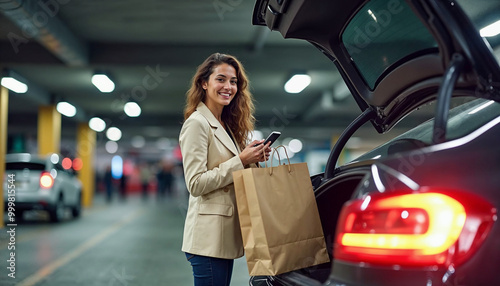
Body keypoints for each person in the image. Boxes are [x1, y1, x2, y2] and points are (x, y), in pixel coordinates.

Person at [179, 52, 271, 286]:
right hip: (208, 239)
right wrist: (240, 160)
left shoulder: (225, 125)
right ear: (204, 83)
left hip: (222, 237)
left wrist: (252, 158)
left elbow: (230, 172)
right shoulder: (197, 124)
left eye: (233, 81)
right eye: (221, 79)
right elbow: (196, 183)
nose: (228, 86)